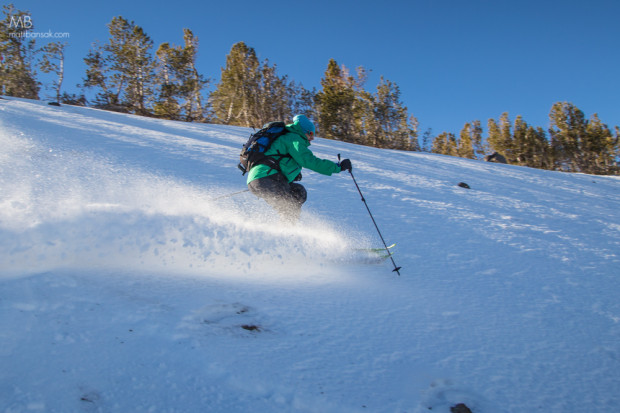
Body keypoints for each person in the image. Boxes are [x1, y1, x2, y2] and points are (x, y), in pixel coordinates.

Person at [247, 114, 352, 223]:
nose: (312, 138)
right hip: (266, 178)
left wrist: (291, 174)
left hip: (260, 179)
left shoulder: (288, 138)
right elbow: (310, 161)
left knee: (298, 192)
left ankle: (285, 230)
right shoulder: (294, 138)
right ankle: (286, 235)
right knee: (289, 209)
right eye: (311, 133)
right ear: (303, 131)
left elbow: (278, 158)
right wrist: (338, 167)